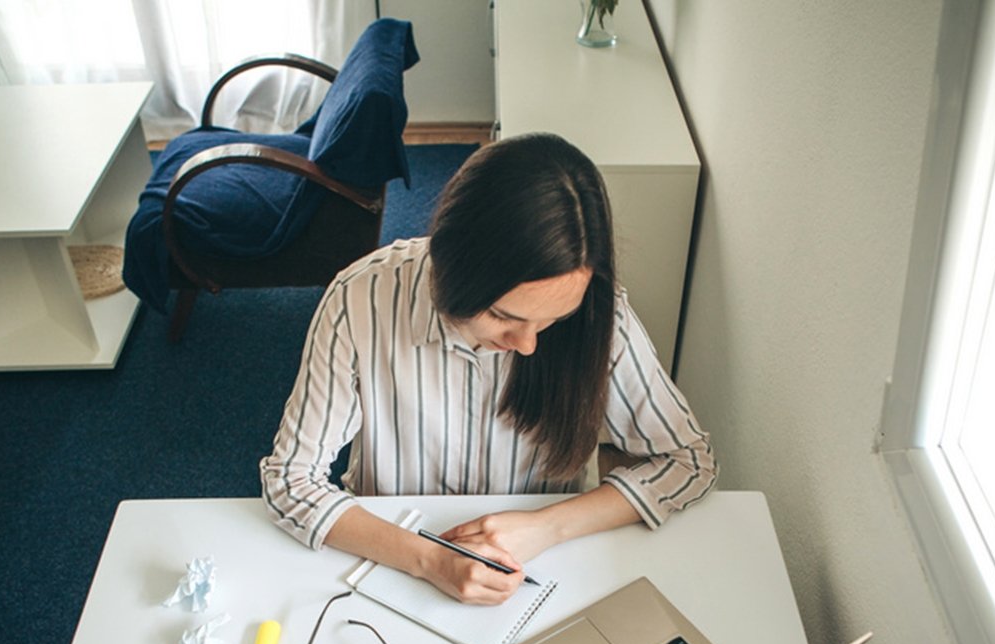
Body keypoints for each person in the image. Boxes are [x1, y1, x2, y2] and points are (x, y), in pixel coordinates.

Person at [260, 132, 716, 605]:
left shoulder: (601, 316)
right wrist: (429, 561)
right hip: (389, 556)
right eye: (504, 317)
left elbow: (688, 461)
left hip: (535, 568)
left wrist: (548, 527)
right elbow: (290, 481)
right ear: (453, 270)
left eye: (554, 321)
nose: (528, 344)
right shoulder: (361, 299)